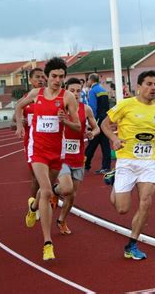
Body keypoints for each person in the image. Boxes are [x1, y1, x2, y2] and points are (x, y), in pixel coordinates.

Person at [101, 70, 155, 260]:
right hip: (126, 161)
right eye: (149, 84)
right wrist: (114, 139)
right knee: (122, 209)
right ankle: (115, 178)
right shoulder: (126, 105)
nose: (153, 88)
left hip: (148, 162)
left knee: (146, 201)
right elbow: (104, 124)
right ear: (139, 86)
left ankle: (132, 244)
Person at [15, 57, 80, 261]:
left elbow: (78, 126)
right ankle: (47, 243)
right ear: (47, 76)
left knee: (47, 191)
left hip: (56, 153)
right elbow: (18, 106)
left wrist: (65, 121)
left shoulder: (68, 97)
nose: (57, 80)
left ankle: (33, 207)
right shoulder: (37, 94)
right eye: (54, 76)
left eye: (61, 76)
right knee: (46, 191)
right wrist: (19, 125)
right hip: (38, 151)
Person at [53, 77, 100, 235]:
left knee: (72, 195)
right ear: (66, 91)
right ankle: (54, 190)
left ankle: (62, 220)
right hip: (61, 156)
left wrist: (91, 133)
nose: (75, 94)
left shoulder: (86, 109)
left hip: (78, 156)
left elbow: (97, 128)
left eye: (78, 91)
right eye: (72, 91)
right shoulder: (59, 108)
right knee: (66, 188)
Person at [16, 67, 46, 198]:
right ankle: (34, 205)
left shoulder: (50, 95)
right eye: (37, 77)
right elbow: (14, 120)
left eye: (42, 77)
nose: (41, 80)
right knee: (36, 175)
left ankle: (45, 197)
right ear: (30, 80)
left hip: (49, 140)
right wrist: (19, 124)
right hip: (31, 142)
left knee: (50, 175)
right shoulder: (25, 99)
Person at [84, 73, 112, 175]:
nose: (87, 82)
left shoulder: (92, 91)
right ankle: (106, 166)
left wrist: (91, 123)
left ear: (91, 80)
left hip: (97, 120)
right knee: (105, 144)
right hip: (105, 120)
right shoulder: (104, 90)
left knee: (92, 143)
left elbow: (92, 108)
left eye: (87, 80)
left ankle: (85, 165)